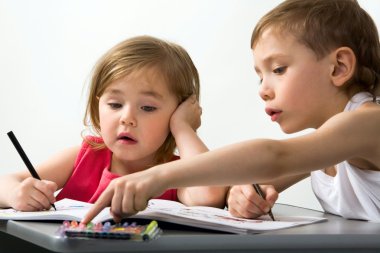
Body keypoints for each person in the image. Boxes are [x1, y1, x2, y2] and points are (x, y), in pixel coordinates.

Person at [82, 0, 380, 224]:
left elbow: (274, 158)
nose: (263, 89)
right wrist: (244, 194)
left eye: (278, 69)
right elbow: (250, 179)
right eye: (259, 76)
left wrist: (156, 177)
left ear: (339, 67)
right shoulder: (324, 148)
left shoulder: (368, 123)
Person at [0, 35, 228, 214]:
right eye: (115, 104)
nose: (126, 118)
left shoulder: (176, 174)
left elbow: (208, 195)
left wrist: (183, 128)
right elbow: (5, 182)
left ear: (177, 112)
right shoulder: (82, 157)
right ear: (98, 105)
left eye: (147, 107)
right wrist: (15, 193)